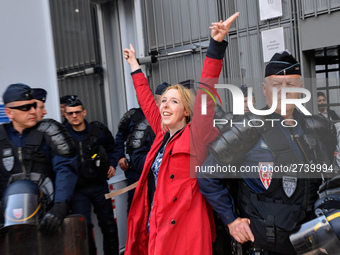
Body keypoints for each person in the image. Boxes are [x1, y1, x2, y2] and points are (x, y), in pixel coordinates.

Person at [198, 50, 337, 255]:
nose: (283, 91)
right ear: (265, 89)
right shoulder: (248, 129)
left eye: (290, 84)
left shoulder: (317, 129)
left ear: (300, 88)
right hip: (262, 246)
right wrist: (232, 220)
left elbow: (329, 179)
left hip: (310, 244)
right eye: (276, 85)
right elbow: (207, 175)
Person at [123, 12, 240, 255]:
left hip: (186, 231)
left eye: (173, 102)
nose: (164, 105)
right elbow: (146, 100)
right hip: (157, 224)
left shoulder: (197, 134)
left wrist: (216, 45)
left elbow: (207, 88)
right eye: (163, 101)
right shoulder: (161, 135)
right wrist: (134, 65)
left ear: (186, 110)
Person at [1, 83, 78, 235]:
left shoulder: (49, 132)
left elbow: (65, 169)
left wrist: (60, 207)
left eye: (33, 106)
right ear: (9, 112)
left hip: (48, 219)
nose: (33, 111)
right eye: (25, 108)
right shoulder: (1, 138)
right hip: (9, 225)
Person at [64, 95, 119, 255]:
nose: (74, 116)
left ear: (84, 112)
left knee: (109, 226)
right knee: (84, 231)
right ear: (65, 115)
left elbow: (113, 147)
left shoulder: (98, 131)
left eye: (77, 112)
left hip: (99, 186)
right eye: (70, 113)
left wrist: (112, 164)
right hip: (78, 190)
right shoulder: (63, 136)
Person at [114, 83, 171, 212]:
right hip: (136, 172)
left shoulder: (167, 117)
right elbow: (119, 139)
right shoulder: (131, 116)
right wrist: (121, 156)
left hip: (159, 172)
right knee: (136, 210)